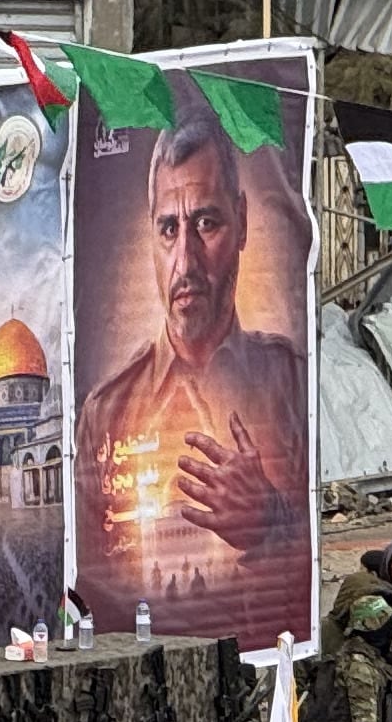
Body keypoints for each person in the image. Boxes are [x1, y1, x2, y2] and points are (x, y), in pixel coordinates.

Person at [74, 94, 311, 638]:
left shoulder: (290, 383)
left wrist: (269, 522)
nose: (186, 262)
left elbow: (312, 569)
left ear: (243, 222)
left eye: (206, 223)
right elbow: (92, 584)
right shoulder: (106, 413)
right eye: (168, 229)